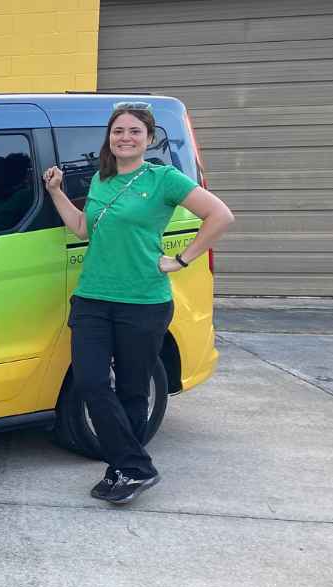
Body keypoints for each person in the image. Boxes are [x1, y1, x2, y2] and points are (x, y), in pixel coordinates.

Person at [42, 102, 234, 504]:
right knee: (92, 382)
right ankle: (136, 467)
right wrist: (57, 193)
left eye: (134, 131)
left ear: (148, 139)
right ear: (109, 138)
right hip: (93, 298)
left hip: (143, 302)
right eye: (118, 131)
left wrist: (182, 259)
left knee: (132, 390)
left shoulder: (164, 179)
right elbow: (81, 226)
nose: (125, 137)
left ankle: (121, 470)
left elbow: (220, 215)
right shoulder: (101, 180)